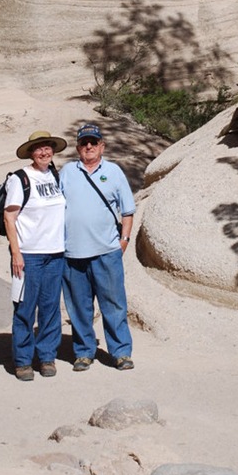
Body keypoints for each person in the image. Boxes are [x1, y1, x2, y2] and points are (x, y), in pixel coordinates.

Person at [60, 123, 136, 372]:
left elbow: (127, 211)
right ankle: (83, 352)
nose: (89, 146)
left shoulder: (113, 172)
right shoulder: (67, 172)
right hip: (73, 254)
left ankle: (121, 352)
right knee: (79, 307)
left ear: (102, 145)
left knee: (113, 304)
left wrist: (123, 241)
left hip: (106, 252)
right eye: (84, 143)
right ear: (78, 147)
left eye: (94, 142)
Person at [3, 130, 67, 381]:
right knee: (25, 308)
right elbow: (10, 217)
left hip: (55, 254)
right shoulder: (20, 179)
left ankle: (47, 357)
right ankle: (22, 361)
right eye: (39, 148)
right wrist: (16, 253)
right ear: (31, 152)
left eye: (48, 147)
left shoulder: (54, 174)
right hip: (28, 255)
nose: (44, 152)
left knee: (51, 308)